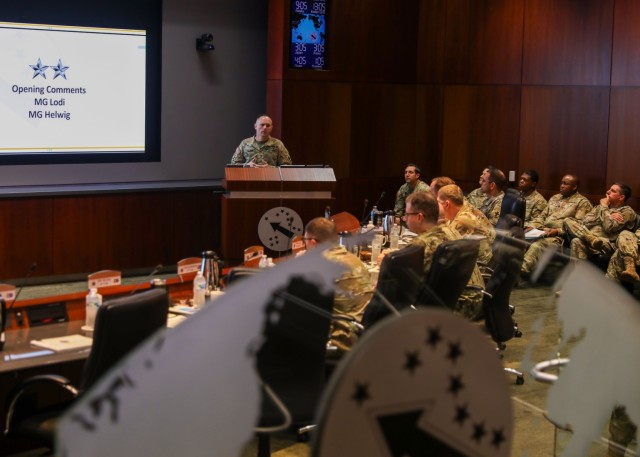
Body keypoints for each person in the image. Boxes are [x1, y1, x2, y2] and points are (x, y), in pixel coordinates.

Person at [404, 191, 485, 321]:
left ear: (419, 217)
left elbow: (406, 282)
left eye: (407, 214)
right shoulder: (449, 229)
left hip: (459, 307)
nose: (404, 218)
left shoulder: (423, 243)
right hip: (475, 299)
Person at [303, 217, 373, 357]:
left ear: (312, 242)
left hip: (341, 342)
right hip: (365, 335)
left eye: (304, 241)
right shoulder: (354, 259)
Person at [521, 174, 593, 277]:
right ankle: (509, 267)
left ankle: (519, 272)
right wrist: (533, 226)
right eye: (561, 183)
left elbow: (579, 225)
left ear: (574, 187)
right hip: (542, 231)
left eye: (566, 184)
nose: (562, 186)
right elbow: (542, 216)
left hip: (560, 237)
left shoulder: (582, 202)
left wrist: (557, 231)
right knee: (520, 237)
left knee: (538, 245)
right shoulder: (555, 198)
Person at [563, 182, 636, 260]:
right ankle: (591, 241)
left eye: (613, 191)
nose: (608, 192)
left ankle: (592, 240)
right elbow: (585, 222)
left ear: (621, 197)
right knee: (568, 221)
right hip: (592, 240)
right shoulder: (600, 207)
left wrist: (604, 207)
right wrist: (608, 214)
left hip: (606, 243)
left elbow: (609, 227)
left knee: (577, 240)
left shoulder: (627, 212)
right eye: (609, 189)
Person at [437, 184, 496, 265]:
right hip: (474, 260)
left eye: (438, 202)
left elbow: (441, 245)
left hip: (478, 267)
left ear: (447, 204)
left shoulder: (462, 220)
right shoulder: (463, 206)